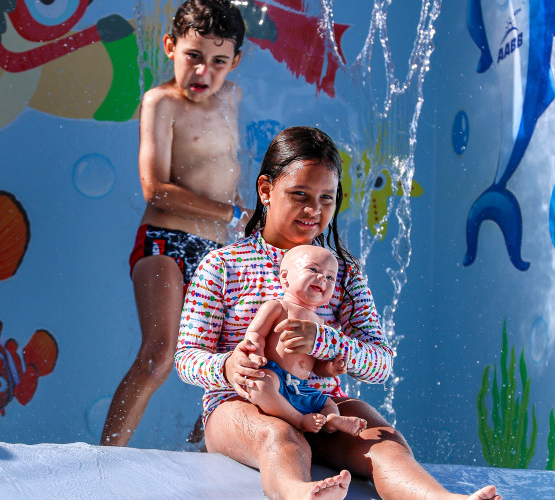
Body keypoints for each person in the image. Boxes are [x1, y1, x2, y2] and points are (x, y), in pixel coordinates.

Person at [175, 126, 501, 499]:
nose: (313, 210)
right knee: (279, 435)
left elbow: (380, 364)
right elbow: (186, 358)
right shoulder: (223, 265)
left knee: (385, 442)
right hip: (241, 405)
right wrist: (228, 367)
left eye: (326, 198)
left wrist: (327, 342)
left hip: (320, 406)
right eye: (299, 195)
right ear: (266, 190)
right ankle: (300, 493)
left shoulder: (344, 274)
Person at [101, 0, 247, 446]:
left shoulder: (232, 98)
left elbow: (225, 171)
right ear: (170, 47)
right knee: (160, 355)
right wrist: (229, 213)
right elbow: (156, 189)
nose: (204, 72)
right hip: (165, 242)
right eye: (193, 56)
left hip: (217, 252)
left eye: (218, 61)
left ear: (234, 62)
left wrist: (248, 217)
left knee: (239, 364)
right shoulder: (161, 102)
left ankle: (207, 455)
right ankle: (104, 461)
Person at [243, 244, 368, 436]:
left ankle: (331, 420)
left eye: (330, 278)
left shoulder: (321, 324)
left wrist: (329, 368)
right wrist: (256, 353)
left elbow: (315, 366)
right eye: (313, 270)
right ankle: (298, 420)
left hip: (300, 386)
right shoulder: (277, 307)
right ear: (285, 276)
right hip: (274, 375)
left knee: (328, 403)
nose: (322, 278)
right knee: (258, 385)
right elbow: (255, 334)